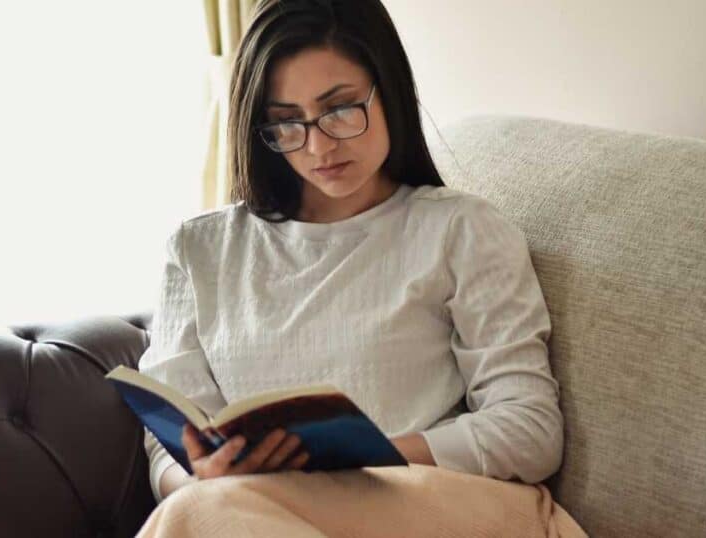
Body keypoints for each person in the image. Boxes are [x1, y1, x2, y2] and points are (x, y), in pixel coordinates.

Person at [135, 0, 586, 535]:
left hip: (444, 508)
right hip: (251, 515)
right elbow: (167, 452)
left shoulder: (460, 230)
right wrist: (201, 476)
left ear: (388, 89)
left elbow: (531, 432)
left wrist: (360, 457)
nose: (319, 145)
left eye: (341, 108)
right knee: (199, 509)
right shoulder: (198, 252)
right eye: (286, 123)